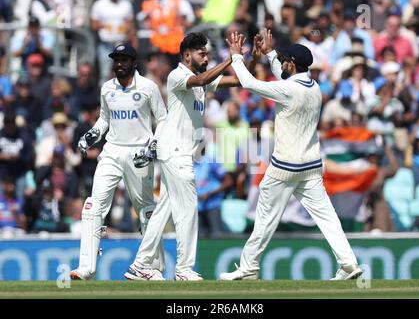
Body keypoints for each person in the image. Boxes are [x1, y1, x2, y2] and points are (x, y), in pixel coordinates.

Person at [219, 29, 363, 281]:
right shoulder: (315, 87)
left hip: (285, 167)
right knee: (327, 217)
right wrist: (270, 53)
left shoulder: (288, 90)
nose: (283, 63)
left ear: (292, 64)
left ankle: (249, 267)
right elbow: (284, 75)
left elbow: (250, 84)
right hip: (311, 165)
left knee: (265, 217)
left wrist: (236, 58)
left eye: (285, 60)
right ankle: (349, 263)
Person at [125, 32, 258, 281]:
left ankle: (140, 265)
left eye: (207, 53)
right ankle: (184, 269)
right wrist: (230, 59)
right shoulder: (178, 76)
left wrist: (250, 60)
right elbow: (201, 79)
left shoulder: (202, 80)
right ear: (187, 55)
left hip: (180, 153)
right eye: (202, 53)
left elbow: (240, 81)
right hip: (176, 152)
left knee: (164, 209)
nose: (206, 57)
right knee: (187, 210)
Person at [69, 43, 167, 280]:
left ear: (134, 63)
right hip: (112, 151)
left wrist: (152, 145)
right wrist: (91, 135)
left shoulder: (148, 87)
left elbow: (163, 119)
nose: (119, 64)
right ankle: (86, 267)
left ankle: (153, 268)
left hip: (138, 153)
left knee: (145, 211)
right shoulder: (106, 89)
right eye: (116, 60)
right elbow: (104, 119)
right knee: (93, 206)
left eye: (124, 60)